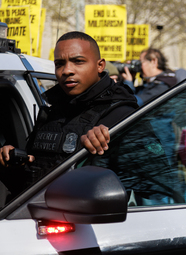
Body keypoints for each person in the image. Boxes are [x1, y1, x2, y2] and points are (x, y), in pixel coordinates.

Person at [0, 31, 138, 201]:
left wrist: (105, 146)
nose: (67, 70)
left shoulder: (122, 114)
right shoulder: (51, 109)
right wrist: (11, 162)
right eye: (59, 64)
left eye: (78, 61)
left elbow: (149, 185)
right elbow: (31, 181)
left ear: (100, 65)